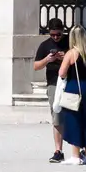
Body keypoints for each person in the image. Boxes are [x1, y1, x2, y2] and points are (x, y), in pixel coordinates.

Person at [54, 25, 86, 164]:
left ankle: (75, 155)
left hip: (73, 87)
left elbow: (61, 73)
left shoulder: (71, 53)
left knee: (74, 120)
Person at [33, 18, 71, 163]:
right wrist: (47, 60)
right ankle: (58, 150)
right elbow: (36, 66)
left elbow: (79, 59)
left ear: (63, 31)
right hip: (53, 84)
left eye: (58, 34)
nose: (55, 37)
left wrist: (65, 57)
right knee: (56, 117)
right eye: (53, 35)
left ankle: (77, 149)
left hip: (70, 82)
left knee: (73, 115)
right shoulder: (45, 45)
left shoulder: (69, 42)